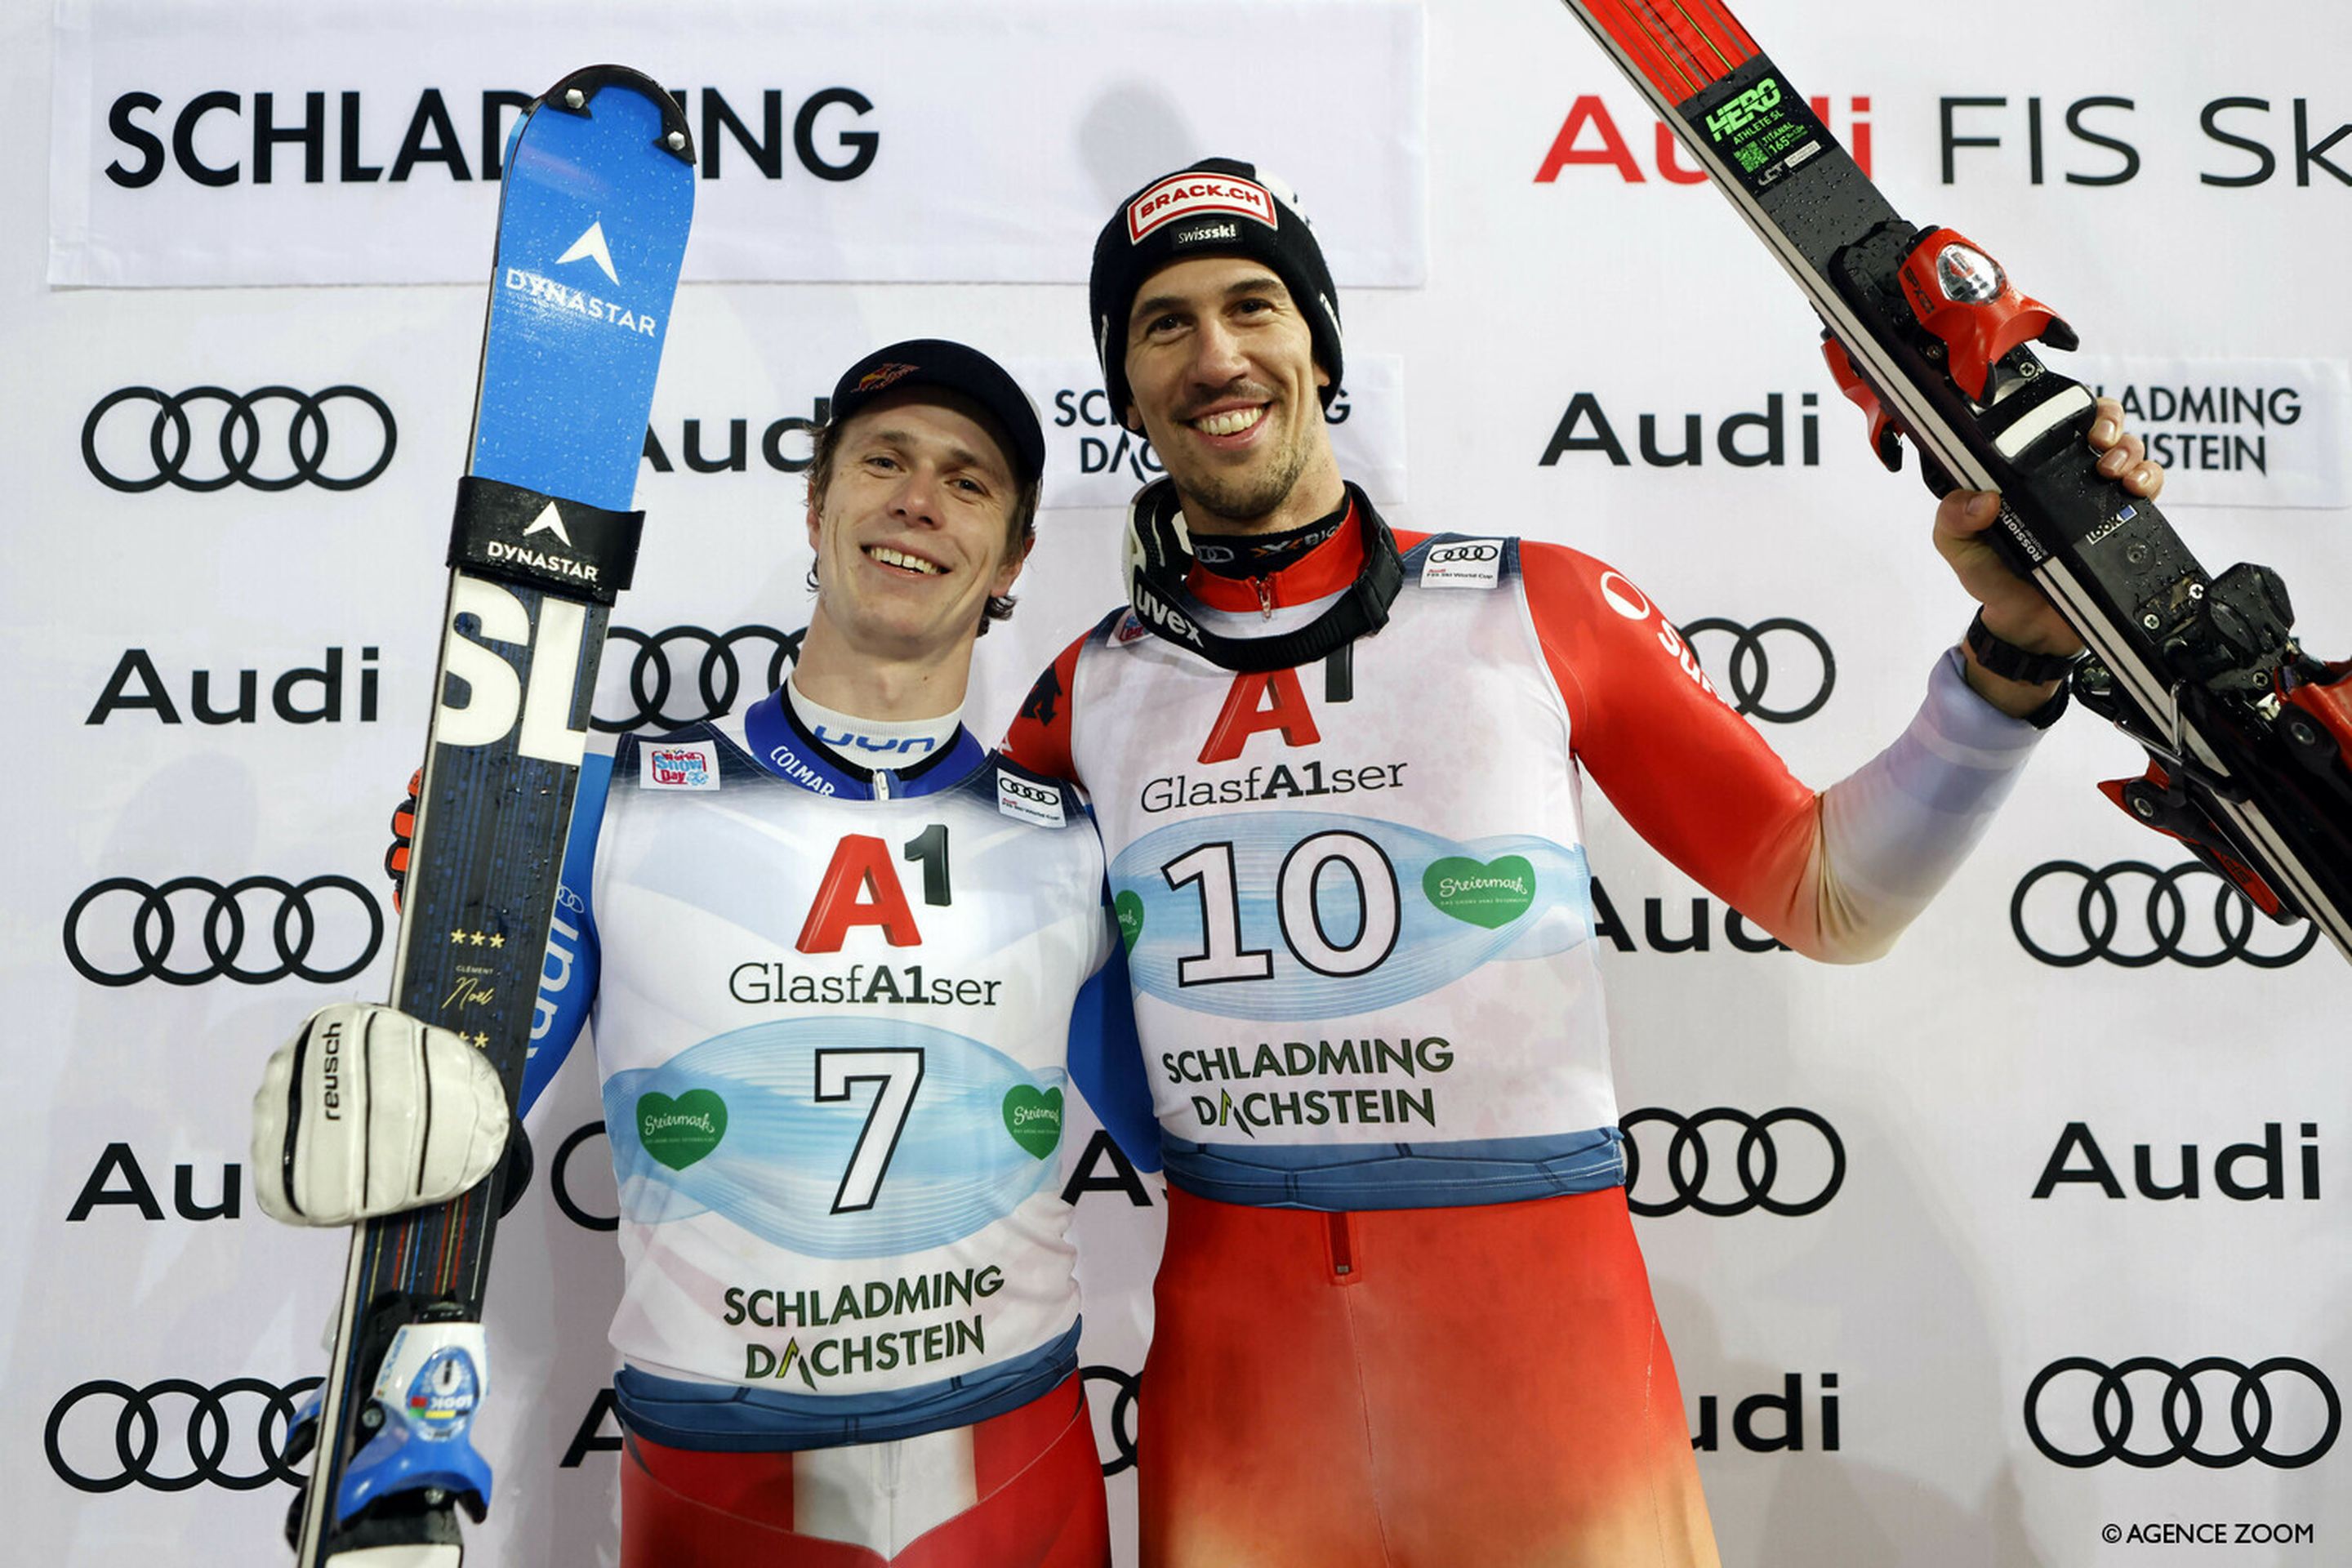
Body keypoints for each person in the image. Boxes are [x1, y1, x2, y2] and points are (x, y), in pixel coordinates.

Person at [1001, 158, 2164, 1567]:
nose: (1217, 354)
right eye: (1162, 324)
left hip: (1548, 1379)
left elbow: (1827, 895)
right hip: (1242, 1398)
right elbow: (1003, 1005)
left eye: (1254, 304)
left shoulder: (1528, 603)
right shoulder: (1084, 695)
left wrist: (2008, 667)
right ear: (1121, 388)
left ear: (1320, 343)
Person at [254, 341, 1147, 1568]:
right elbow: (447, 1137)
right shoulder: (608, 807)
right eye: (881, 460)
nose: (917, 501)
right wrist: (385, 1376)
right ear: (817, 504)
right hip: (724, 1486)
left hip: (1021, 1474)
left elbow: (1187, 1143)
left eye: (968, 480)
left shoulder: (1071, 840)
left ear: (1015, 557)